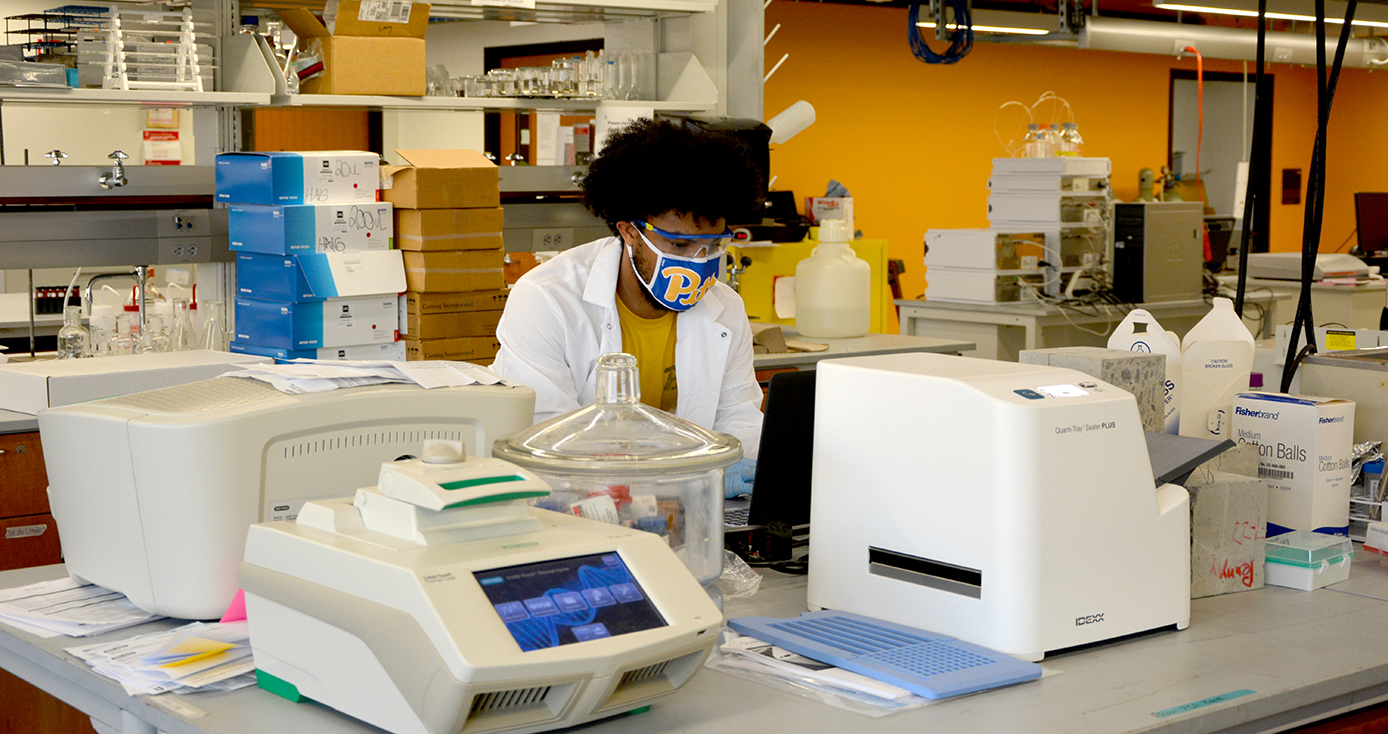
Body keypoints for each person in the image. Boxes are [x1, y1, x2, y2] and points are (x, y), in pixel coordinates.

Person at [493, 118, 763, 497]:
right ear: (629, 231)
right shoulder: (546, 300)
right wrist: (677, 484)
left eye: (712, 245)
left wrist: (737, 468)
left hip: (696, 510)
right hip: (580, 512)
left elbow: (740, 422)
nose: (699, 261)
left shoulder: (725, 308)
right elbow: (549, 446)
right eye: (680, 245)